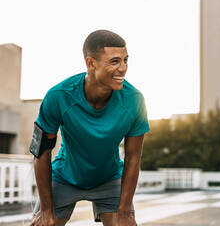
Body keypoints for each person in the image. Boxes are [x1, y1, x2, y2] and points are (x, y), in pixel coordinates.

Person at [30, 29, 150, 226]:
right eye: (114, 61)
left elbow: (133, 157)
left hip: (109, 178)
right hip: (65, 177)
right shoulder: (58, 96)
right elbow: (41, 153)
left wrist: (125, 210)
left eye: (125, 60)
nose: (123, 68)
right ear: (91, 63)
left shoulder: (134, 101)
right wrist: (45, 211)